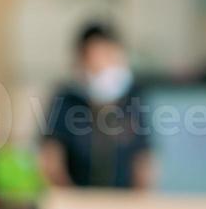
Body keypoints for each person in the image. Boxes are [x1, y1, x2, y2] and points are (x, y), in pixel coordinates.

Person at [40, 22, 155, 190]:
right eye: (95, 59)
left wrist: (138, 206)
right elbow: (51, 161)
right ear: (81, 61)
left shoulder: (133, 99)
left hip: (124, 205)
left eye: (109, 56)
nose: (103, 66)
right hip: (77, 203)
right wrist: (73, 202)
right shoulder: (66, 100)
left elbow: (144, 161)